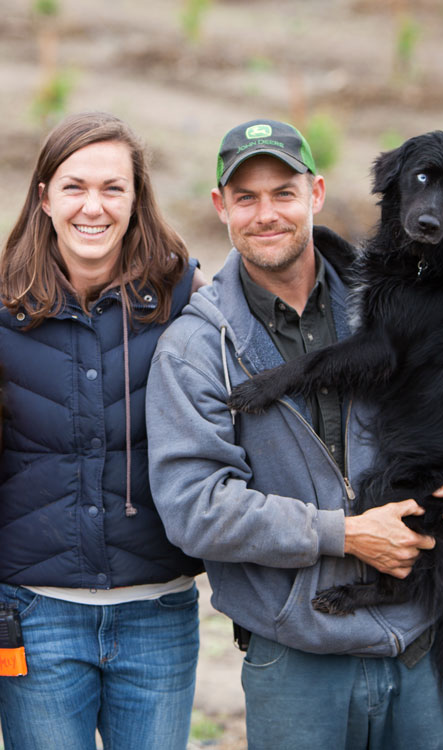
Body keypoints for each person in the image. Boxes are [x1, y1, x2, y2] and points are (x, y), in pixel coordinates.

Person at [146, 118, 443, 750]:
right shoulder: (196, 348)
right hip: (298, 660)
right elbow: (196, 510)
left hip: (428, 646)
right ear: (220, 206)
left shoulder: (399, 290)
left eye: (283, 192)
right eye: (247, 197)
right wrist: (343, 534)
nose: (266, 214)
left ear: (315, 194)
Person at [0, 111, 206, 750]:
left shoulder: (186, 297)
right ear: (44, 199)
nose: (94, 206)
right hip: (35, 617)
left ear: (137, 199)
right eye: (74, 187)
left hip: (160, 615)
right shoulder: (3, 308)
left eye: (113, 188)